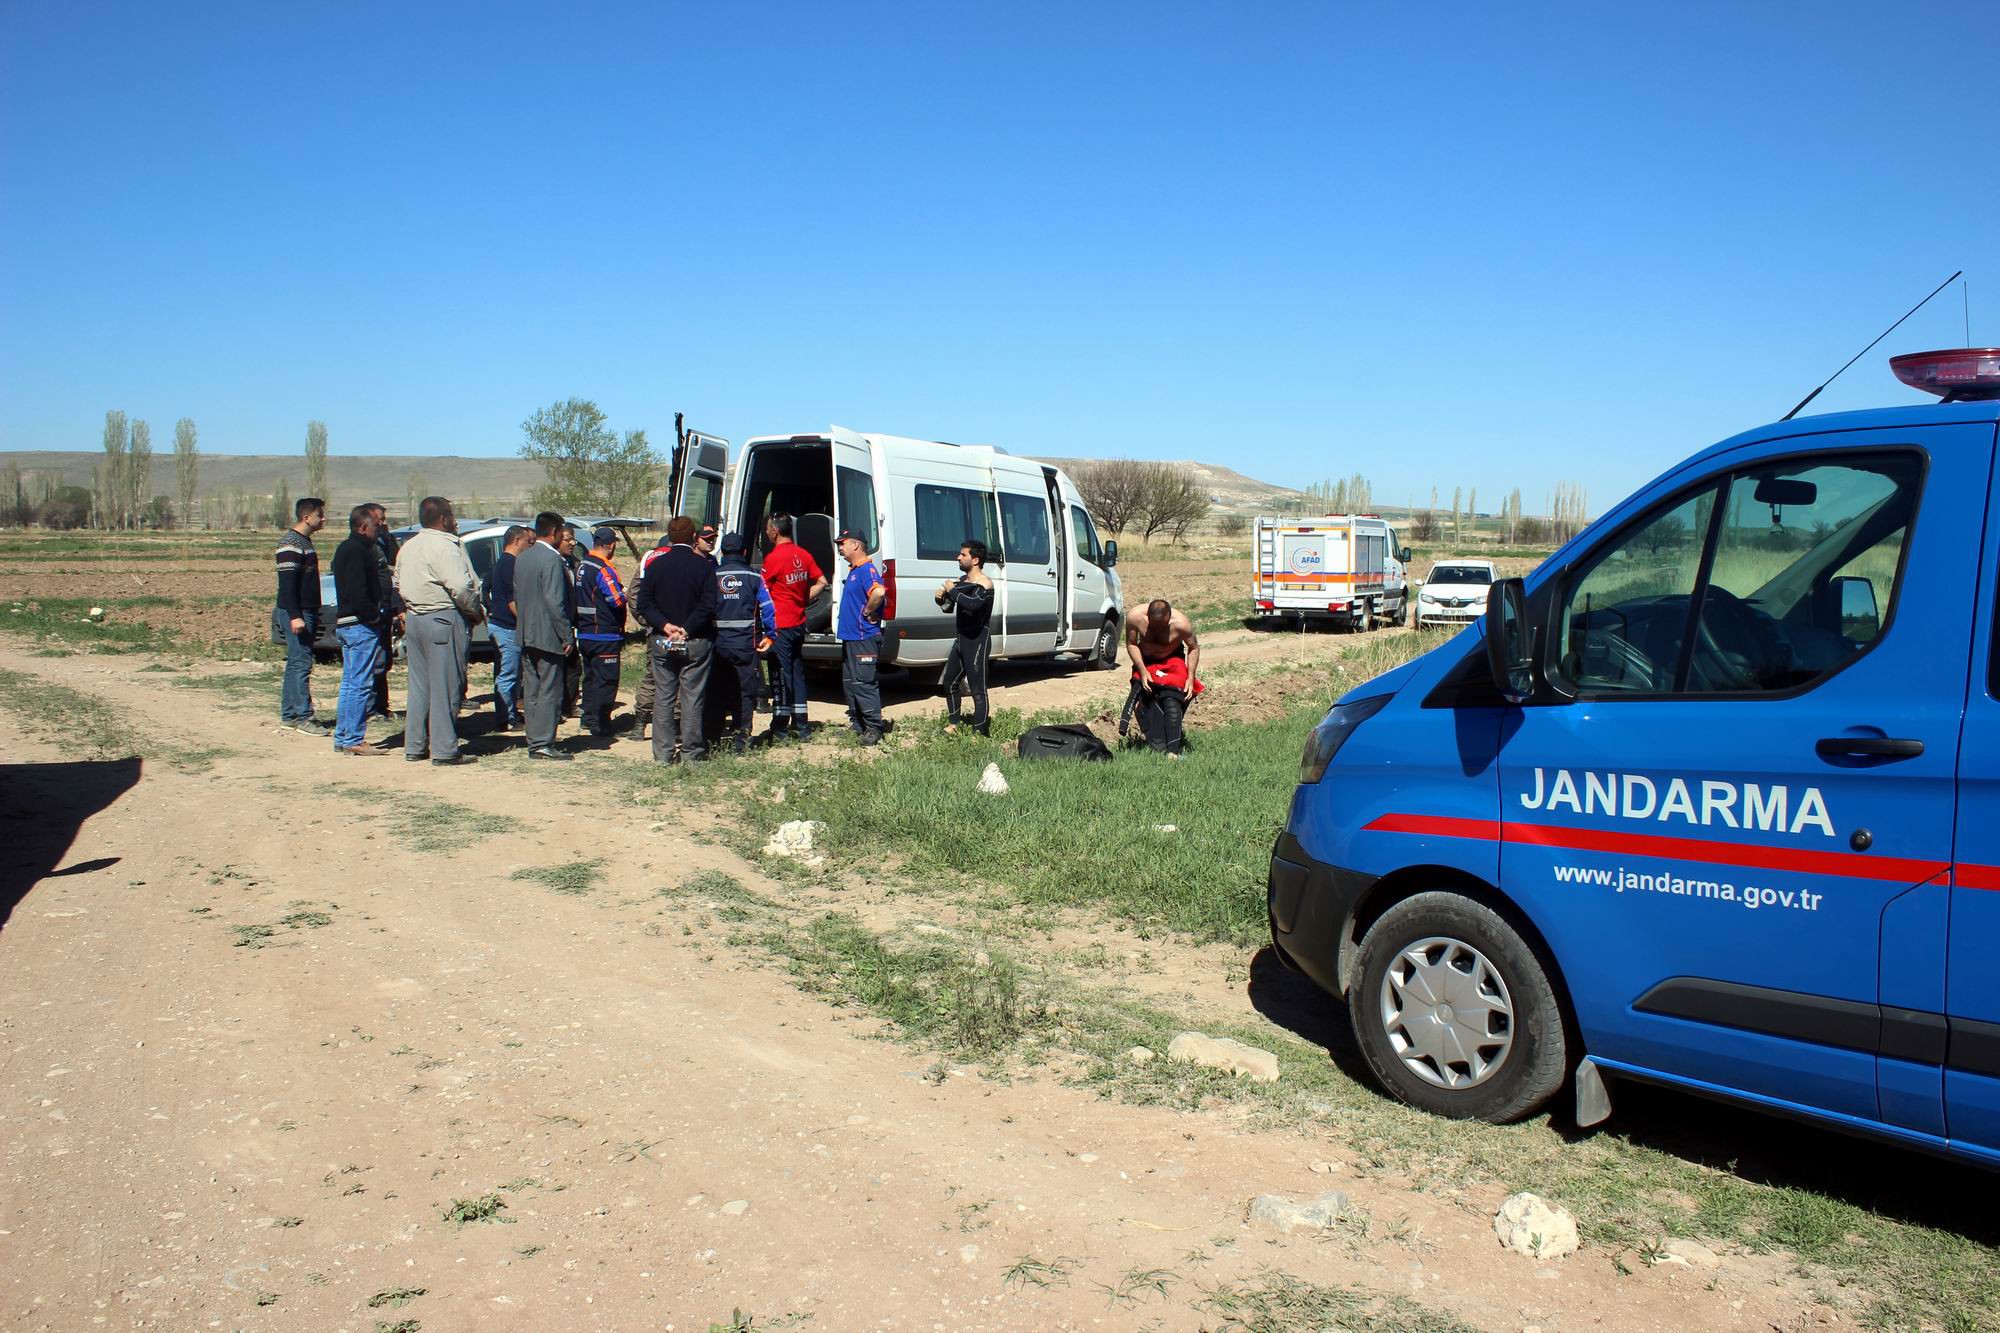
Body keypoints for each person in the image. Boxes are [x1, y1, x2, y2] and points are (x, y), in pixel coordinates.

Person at [394, 495, 484, 765]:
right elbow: (459, 585)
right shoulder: (445, 545)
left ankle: (415, 745)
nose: (455, 520)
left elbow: (397, 581)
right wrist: (475, 612)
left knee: (419, 686)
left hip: (415, 618)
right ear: (444, 519)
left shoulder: (409, 547)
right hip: (443, 618)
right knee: (446, 685)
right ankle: (445, 750)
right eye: (452, 515)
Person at [634, 515, 717, 763]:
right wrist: (686, 628)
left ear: (670, 537)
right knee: (692, 697)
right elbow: (708, 605)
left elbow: (643, 604)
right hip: (696, 641)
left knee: (664, 696)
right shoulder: (703, 566)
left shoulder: (656, 566)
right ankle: (691, 752)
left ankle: (662, 753)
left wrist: (666, 626)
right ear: (694, 537)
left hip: (662, 640)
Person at [330, 505, 392, 757]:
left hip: (347, 623)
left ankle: (344, 736)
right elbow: (358, 591)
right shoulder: (357, 551)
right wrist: (374, 616)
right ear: (363, 527)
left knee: (350, 682)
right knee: (360, 683)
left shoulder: (346, 548)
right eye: (376, 525)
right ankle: (354, 738)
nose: (380, 529)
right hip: (359, 625)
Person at [514, 511, 576, 761]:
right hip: (547, 634)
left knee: (532, 689)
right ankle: (543, 742)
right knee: (549, 689)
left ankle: (534, 739)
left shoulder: (523, 557)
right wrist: (566, 634)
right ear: (555, 532)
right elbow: (554, 600)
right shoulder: (552, 560)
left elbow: (519, 594)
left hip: (527, 631)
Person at [760, 512, 826, 741]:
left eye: (768, 528)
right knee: (797, 673)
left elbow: (761, 591)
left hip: (781, 625)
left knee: (780, 675)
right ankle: (803, 726)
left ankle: (779, 728)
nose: (767, 532)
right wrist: (803, 598)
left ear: (775, 531)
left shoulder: (773, 559)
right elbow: (822, 581)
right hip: (799, 623)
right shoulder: (804, 554)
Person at [713, 531, 777, 753]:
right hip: (746, 645)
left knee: (718, 689)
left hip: (717, 646)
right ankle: (742, 737)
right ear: (744, 552)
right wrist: (770, 635)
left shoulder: (712, 575)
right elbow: (768, 608)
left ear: (722, 552)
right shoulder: (754, 577)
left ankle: (715, 735)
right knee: (745, 691)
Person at [273, 496, 328, 736]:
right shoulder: (291, 544)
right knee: (301, 663)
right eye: (320, 515)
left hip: (305, 610)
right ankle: (304, 716)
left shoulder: (303, 542)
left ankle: (290, 714)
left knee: (296, 663)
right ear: (307, 517)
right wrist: (295, 615)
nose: (323, 519)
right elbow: (287, 585)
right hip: (297, 612)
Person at [1124, 598, 1201, 757]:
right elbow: (1131, 643)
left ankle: (1172, 750)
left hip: (1173, 659)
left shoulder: (1181, 624)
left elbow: (1193, 647)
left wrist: (1190, 677)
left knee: (1173, 698)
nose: (1158, 630)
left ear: (1169, 618)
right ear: (1148, 618)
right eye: (1154, 627)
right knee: (1145, 699)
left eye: (1163, 627)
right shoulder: (1135, 617)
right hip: (1146, 661)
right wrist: (1142, 670)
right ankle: (1156, 739)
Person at [934, 539, 995, 736]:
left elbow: (973, 604)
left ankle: (980, 732)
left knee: (978, 690)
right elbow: (949, 607)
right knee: (949, 683)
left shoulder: (985, 584)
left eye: (963, 554)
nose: (958, 557)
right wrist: (941, 597)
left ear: (975, 559)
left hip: (977, 641)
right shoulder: (962, 582)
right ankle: (954, 724)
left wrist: (952, 590)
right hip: (961, 640)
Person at [835, 528, 887, 745]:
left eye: (842, 543)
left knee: (864, 683)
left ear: (855, 545)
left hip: (863, 637)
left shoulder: (867, 569)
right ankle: (857, 725)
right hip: (851, 637)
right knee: (851, 682)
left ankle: (874, 728)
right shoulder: (855, 570)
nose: (839, 547)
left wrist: (868, 611)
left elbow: (879, 592)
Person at [577, 526, 630, 736]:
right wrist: (624, 592)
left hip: (585, 633)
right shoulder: (602, 569)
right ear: (611, 545)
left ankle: (588, 718)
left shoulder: (582, 565)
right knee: (606, 680)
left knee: (590, 679)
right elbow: (615, 599)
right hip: (604, 634)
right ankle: (601, 723)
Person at [626, 534, 673, 742]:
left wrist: (646, 620)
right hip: (682, 629)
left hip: (656, 629)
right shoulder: (686, 559)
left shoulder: (647, 560)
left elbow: (633, 594)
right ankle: (676, 727)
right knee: (681, 677)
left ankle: (639, 725)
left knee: (652, 676)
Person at [485, 525, 531, 730]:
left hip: (501, 627)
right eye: (526, 541)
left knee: (508, 673)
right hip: (507, 629)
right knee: (508, 675)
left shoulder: (500, 563)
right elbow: (511, 600)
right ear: (516, 541)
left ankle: (509, 714)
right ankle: (506, 718)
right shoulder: (509, 564)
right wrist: (525, 621)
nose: (528, 545)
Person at [365, 502, 401, 722]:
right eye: (381, 519)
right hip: (373, 611)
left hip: (387, 608)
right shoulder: (365, 548)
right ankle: (371, 708)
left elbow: (397, 569)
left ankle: (382, 705)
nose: (384, 523)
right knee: (373, 661)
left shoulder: (386, 542)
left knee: (384, 659)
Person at [557, 524, 584, 721]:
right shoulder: (553, 563)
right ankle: (557, 707)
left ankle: (569, 704)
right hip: (557, 623)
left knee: (574, 666)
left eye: (574, 539)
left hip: (572, 623)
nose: (573, 543)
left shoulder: (575, 564)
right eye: (568, 539)